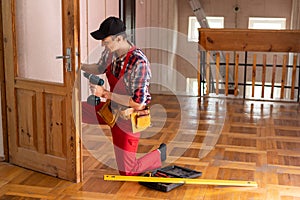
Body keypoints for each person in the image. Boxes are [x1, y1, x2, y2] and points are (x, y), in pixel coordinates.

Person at [81, 16, 166, 176]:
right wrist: (79, 66)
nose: (102, 45)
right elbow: (100, 67)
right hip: (110, 109)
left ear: (119, 38)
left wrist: (104, 93)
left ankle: (159, 155)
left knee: (127, 171)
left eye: (105, 41)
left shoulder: (139, 63)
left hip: (128, 117)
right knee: (75, 109)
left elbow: (138, 103)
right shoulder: (110, 53)